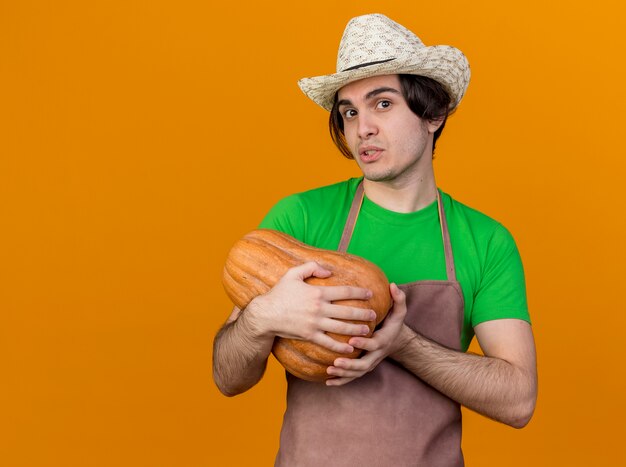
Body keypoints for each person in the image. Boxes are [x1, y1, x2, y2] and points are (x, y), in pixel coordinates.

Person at [213, 13, 537, 466]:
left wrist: (402, 343)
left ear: (433, 114)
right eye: (349, 111)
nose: (361, 127)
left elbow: (519, 400)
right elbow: (228, 377)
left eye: (382, 104)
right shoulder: (299, 219)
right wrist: (259, 319)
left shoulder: (485, 240)